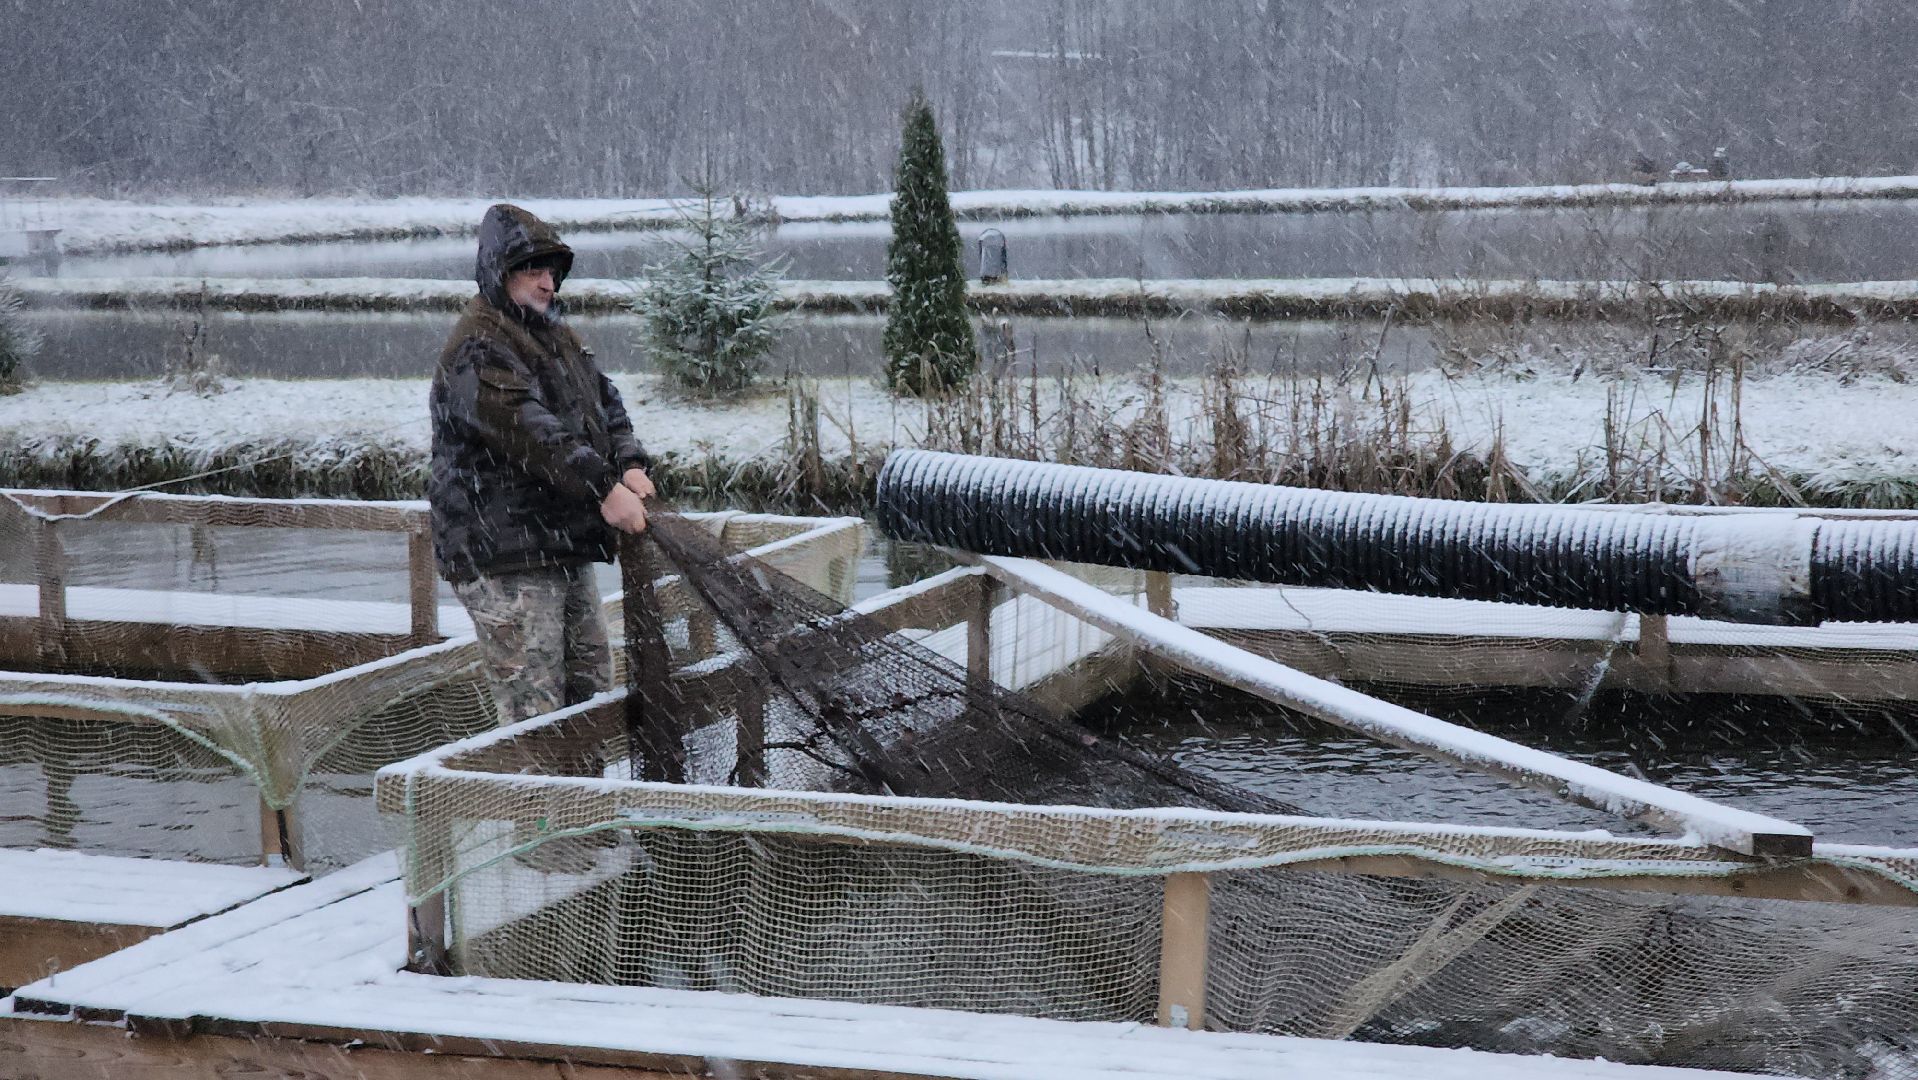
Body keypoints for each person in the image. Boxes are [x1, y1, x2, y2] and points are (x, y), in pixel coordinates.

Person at [429, 203, 654, 726]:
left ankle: (590, 809)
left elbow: (605, 404)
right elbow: (532, 433)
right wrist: (603, 488)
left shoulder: (555, 335)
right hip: (504, 554)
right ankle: (541, 812)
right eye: (533, 269)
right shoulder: (478, 345)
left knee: (593, 693)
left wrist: (629, 465)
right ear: (500, 272)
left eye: (552, 270)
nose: (548, 282)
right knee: (537, 713)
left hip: (561, 542)